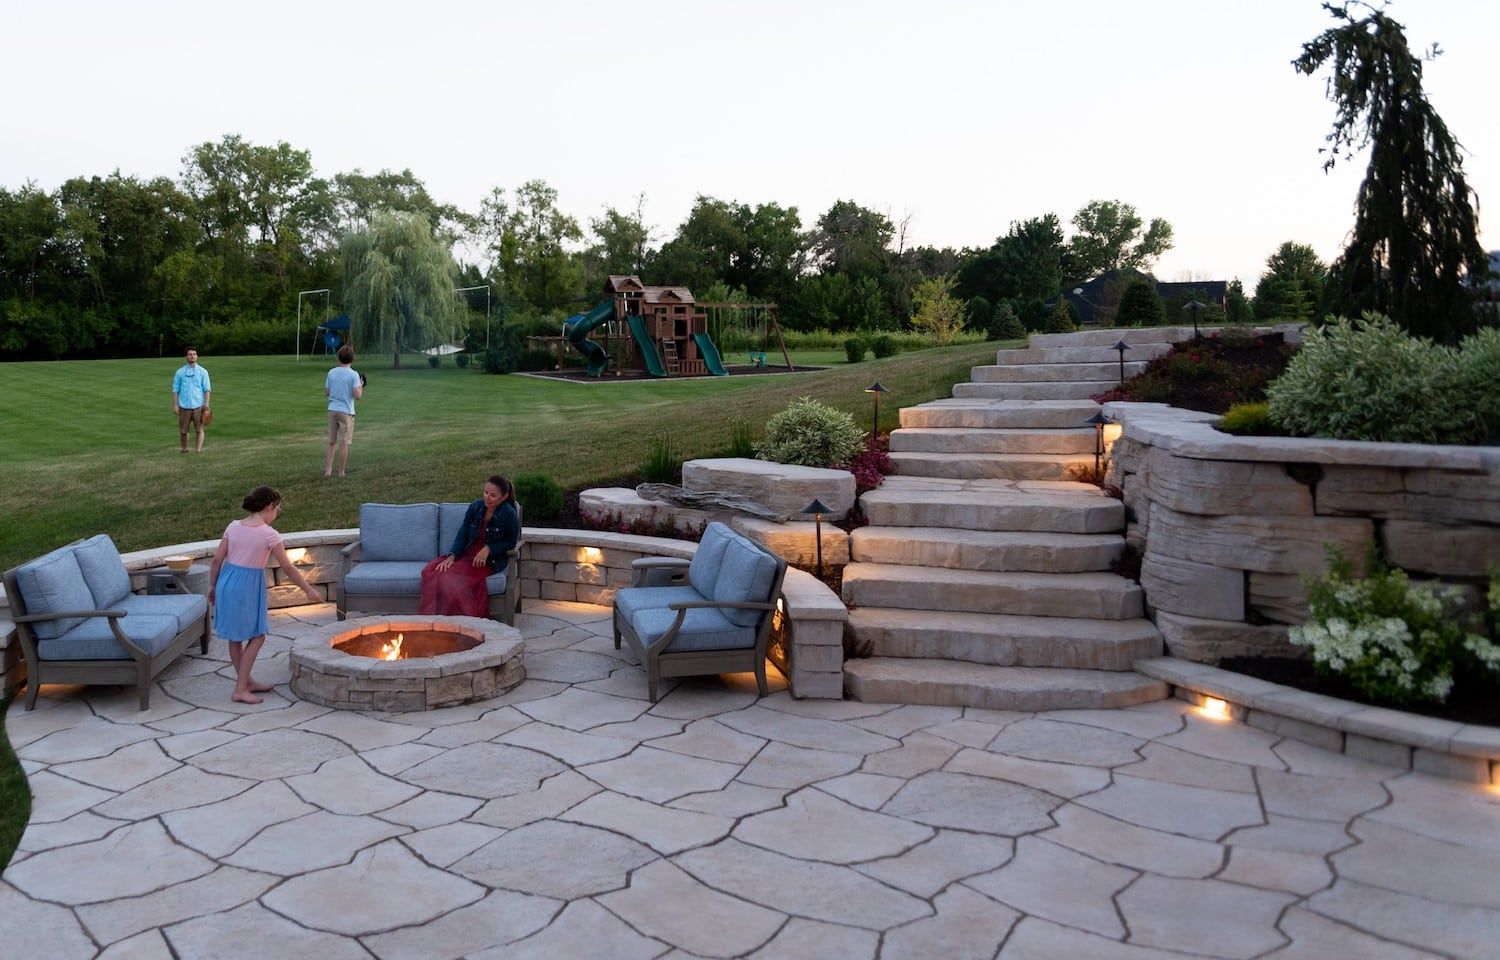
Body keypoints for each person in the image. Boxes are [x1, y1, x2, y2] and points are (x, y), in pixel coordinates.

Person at [208, 486, 321, 704]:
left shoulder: (233, 526)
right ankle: (240, 689)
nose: (276, 515)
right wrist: (308, 589)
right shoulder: (270, 534)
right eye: (277, 510)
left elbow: (216, 560)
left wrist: (212, 586)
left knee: (235, 637)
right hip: (246, 587)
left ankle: (246, 681)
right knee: (257, 636)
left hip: (227, 582)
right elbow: (288, 568)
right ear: (269, 507)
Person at [419, 475, 521, 617]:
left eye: (493, 495)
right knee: (431, 570)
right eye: (485, 492)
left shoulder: (509, 514)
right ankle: (433, 620)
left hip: (489, 561)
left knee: (448, 577)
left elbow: (511, 542)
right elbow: (463, 533)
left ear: (504, 497)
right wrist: (453, 555)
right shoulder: (476, 507)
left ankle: (456, 620)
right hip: (467, 554)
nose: (487, 498)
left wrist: (489, 548)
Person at [324, 345, 365, 477]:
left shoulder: (331, 372)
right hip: (346, 411)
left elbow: (327, 392)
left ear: (338, 358)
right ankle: (341, 472)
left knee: (331, 441)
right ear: (352, 359)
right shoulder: (353, 375)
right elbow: (357, 395)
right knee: (344, 442)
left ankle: (328, 470)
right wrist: (361, 385)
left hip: (332, 410)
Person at [171, 346, 212, 453]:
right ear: (186, 356)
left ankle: (198, 450)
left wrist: (206, 405)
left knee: (199, 430)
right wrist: (175, 405)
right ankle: (184, 449)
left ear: (197, 356)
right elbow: (175, 390)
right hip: (184, 406)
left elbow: (207, 389)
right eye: (190, 354)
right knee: (183, 431)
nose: (192, 356)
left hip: (199, 406)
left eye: (194, 354)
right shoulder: (179, 372)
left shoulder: (203, 372)